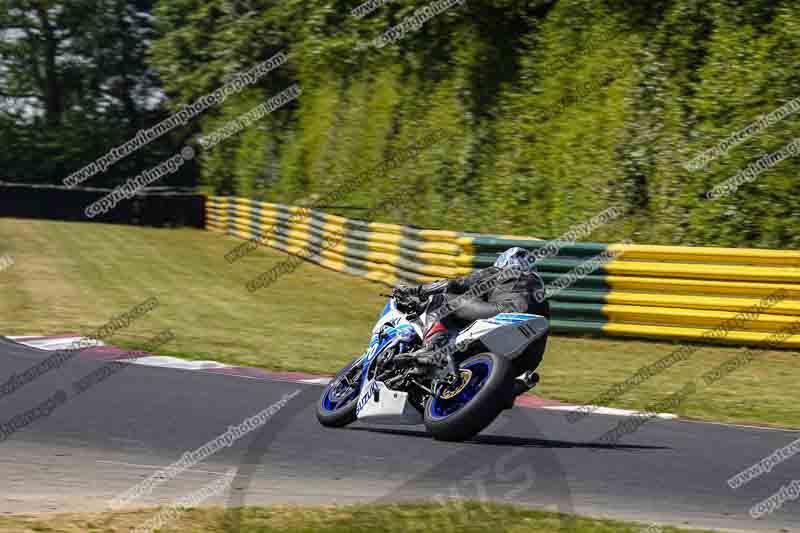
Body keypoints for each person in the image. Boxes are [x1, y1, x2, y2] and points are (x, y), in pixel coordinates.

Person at [393, 247, 549, 403]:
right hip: (529, 357)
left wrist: (417, 291)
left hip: (503, 312)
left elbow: (453, 285)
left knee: (442, 300)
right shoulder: (541, 292)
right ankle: (509, 389)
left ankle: (430, 350)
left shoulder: (501, 271)